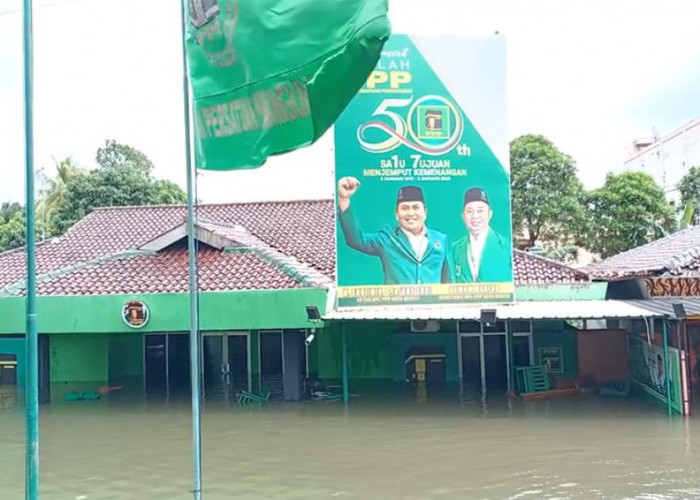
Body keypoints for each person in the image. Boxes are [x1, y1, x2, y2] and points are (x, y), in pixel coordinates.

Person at [337, 176, 454, 285]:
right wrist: (343, 198)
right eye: (405, 208)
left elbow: (449, 281)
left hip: (432, 306)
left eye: (416, 207)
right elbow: (356, 239)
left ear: (425, 212)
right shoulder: (387, 239)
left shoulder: (440, 240)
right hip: (395, 306)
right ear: (396, 214)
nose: (411, 213)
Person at [451, 187, 511, 283]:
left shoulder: (506, 247)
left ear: (489, 214)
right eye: (470, 211)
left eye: (480, 210)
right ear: (463, 216)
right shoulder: (454, 249)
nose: (475, 216)